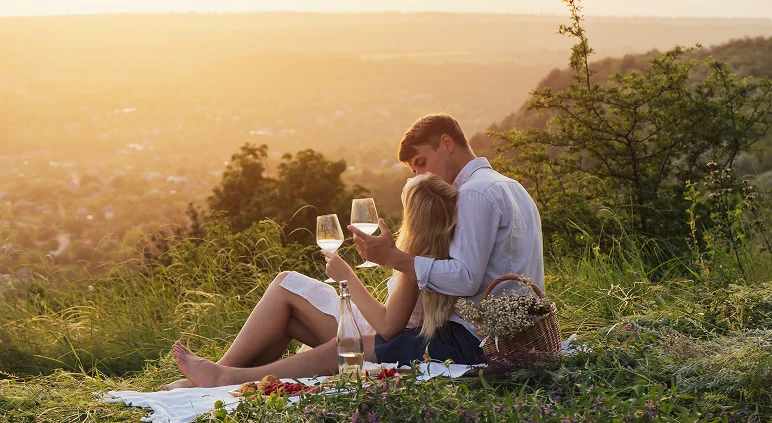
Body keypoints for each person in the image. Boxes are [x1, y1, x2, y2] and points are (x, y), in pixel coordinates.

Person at [161, 113, 544, 388]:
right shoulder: (509, 186)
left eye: (422, 163)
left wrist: (394, 258)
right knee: (297, 316)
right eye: (414, 171)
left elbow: (466, 277)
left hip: (474, 339)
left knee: (346, 343)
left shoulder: (475, 193)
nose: (422, 176)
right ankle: (220, 378)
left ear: (447, 143)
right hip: (500, 332)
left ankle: (223, 377)